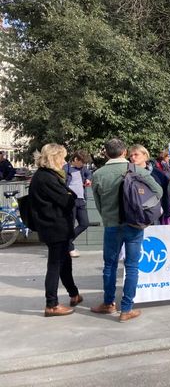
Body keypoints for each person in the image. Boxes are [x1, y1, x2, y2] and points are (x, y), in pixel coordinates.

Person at [91, 138, 162, 322]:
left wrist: (108, 217)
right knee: (132, 267)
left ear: (106, 153)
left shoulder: (98, 174)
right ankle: (126, 309)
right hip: (134, 225)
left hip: (111, 226)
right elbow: (158, 191)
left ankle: (108, 303)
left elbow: (98, 204)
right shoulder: (137, 170)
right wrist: (142, 209)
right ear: (124, 152)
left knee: (109, 266)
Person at [29, 144, 81, 317]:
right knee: (55, 265)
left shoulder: (45, 175)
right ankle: (51, 304)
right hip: (54, 227)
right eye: (62, 157)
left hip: (56, 227)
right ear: (54, 158)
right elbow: (67, 201)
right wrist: (70, 197)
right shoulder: (47, 177)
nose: (65, 161)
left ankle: (74, 294)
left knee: (64, 263)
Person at [129, 145, 170, 225]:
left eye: (136, 154)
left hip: (155, 214)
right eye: (131, 156)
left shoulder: (158, 174)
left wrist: (166, 213)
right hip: (134, 216)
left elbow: (165, 194)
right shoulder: (128, 175)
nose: (133, 158)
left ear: (145, 156)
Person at [64, 150, 92, 258]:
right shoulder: (65, 169)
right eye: (82, 162)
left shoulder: (83, 169)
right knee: (70, 225)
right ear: (76, 160)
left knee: (84, 223)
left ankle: (67, 242)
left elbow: (89, 173)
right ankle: (70, 248)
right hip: (70, 200)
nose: (83, 165)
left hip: (81, 199)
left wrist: (88, 179)